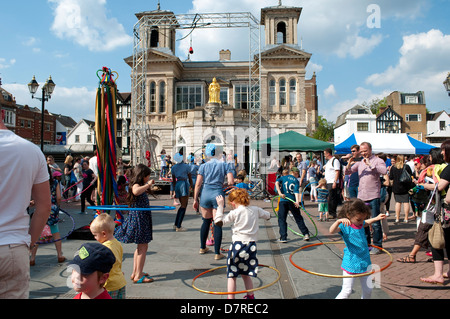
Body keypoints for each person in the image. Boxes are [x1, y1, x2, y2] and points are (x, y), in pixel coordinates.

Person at [0, 108, 51, 298]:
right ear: (4, 114)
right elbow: (44, 206)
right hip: (13, 246)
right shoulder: (30, 150)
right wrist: (30, 242)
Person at [214, 189, 271, 299]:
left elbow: (218, 222)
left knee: (232, 275)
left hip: (237, 247)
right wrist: (266, 215)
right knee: (245, 273)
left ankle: (231, 299)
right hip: (251, 247)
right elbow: (268, 215)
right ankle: (250, 296)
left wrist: (220, 206)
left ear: (233, 203)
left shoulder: (235, 212)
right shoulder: (255, 209)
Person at [329, 199, 387, 299]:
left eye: (362, 219)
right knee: (347, 291)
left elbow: (366, 222)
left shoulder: (360, 223)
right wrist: (338, 221)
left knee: (368, 289)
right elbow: (331, 231)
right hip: (351, 262)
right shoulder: (344, 225)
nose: (361, 222)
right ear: (348, 215)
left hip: (365, 261)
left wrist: (376, 218)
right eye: (359, 219)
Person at [193, 143, 234, 260]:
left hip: (205, 193)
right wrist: (223, 183)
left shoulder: (203, 166)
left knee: (205, 221)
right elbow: (231, 181)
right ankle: (217, 252)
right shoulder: (224, 165)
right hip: (218, 194)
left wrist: (195, 199)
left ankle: (202, 247)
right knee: (217, 223)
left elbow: (198, 184)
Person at [115, 164, 155, 283]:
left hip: (141, 217)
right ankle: (138, 276)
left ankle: (136, 272)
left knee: (140, 247)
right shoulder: (136, 185)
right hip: (140, 219)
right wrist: (148, 185)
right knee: (143, 247)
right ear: (142, 176)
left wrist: (147, 186)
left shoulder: (138, 184)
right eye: (147, 176)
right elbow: (136, 191)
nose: (148, 178)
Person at [345, 142, 387, 254]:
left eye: (365, 151)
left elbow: (384, 171)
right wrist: (348, 164)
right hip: (361, 196)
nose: (363, 153)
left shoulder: (378, 160)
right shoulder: (359, 163)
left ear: (370, 149)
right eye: (362, 151)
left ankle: (378, 246)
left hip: (373, 195)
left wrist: (370, 164)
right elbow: (348, 172)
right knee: (363, 222)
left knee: (376, 222)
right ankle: (367, 245)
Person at [419, 140, 450, 285]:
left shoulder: (448, 168)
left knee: (436, 238)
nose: (442, 153)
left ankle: (438, 274)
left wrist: (425, 185)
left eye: (444, 150)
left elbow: (440, 186)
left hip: (446, 209)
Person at [30, 169, 66, 266]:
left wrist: (34, 203)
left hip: (40, 208)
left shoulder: (37, 182)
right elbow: (58, 197)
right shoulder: (55, 182)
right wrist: (57, 206)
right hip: (52, 208)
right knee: (55, 231)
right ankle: (59, 255)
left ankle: (32, 257)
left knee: (37, 233)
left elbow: (35, 197)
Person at [90, 213, 127, 299]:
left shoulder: (105, 249)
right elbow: (119, 261)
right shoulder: (117, 243)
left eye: (95, 235)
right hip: (120, 281)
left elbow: (102, 268)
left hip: (109, 285)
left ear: (103, 234)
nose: (95, 238)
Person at [275, 167, 310, 242]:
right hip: (292, 200)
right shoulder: (296, 181)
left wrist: (280, 193)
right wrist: (297, 201)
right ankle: (306, 234)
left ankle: (283, 237)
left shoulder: (283, 177)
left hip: (283, 200)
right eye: (298, 175)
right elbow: (296, 191)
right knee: (298, 218)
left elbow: (276, 183)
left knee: (282, 219)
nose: (298, 176)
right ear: (295, 173)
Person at [171, 152, 193, 232]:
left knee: (182, 205)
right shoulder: (186, 166)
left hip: (177, 184)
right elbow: (189, 177)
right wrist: (191, 186)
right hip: (184, 183)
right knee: (184, 205)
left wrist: (174, 190)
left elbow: (173, 180)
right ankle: (179, 226)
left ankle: (176, 224)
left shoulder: (173, 167)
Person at [389, 154, 414, 223]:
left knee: (398, 202)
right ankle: (406, 218)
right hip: (406, 187)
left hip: (396, 187)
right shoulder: (406, 167)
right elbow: (411, 176)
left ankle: (397, 218)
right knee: (406, 203)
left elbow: (391, 177)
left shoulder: (393, 167)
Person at [323, 148, 341, 219]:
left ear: (328, 153)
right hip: (328, 181)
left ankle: (332, 213)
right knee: (329, 197)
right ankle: (330, 212)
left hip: (332, 182)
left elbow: (337, 171)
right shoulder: (329, 161)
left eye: (325, 154)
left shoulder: (335, 160)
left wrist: (335, 181)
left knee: (332, 198)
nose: (324, 155)